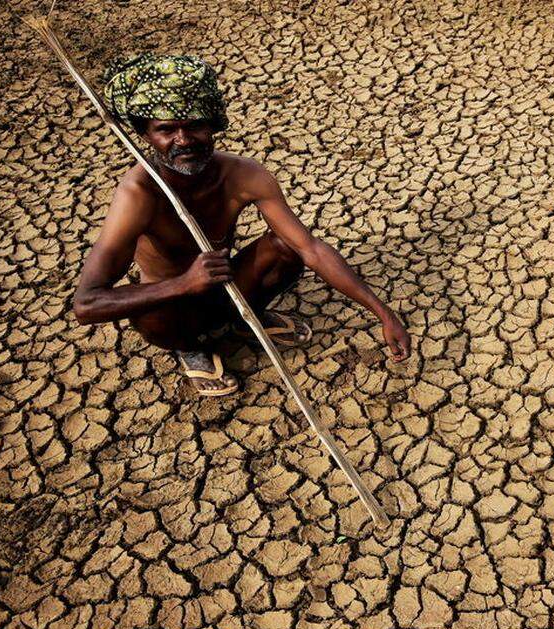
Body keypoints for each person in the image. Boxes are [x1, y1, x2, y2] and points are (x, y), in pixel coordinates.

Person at [73, 54, 411, 396]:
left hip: (228, 286)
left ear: (214, 124)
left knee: (285, 247)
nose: (184, 139)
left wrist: (382, 313)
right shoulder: (138, 195)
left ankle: (243, 319)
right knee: (150, 316)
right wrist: (184, 284)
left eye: (195, 124)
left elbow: (311, 249)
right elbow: (87, 303)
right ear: (145, 135)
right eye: (166, 129)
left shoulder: (244, 175)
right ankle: (190, 347)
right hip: (176, 307)